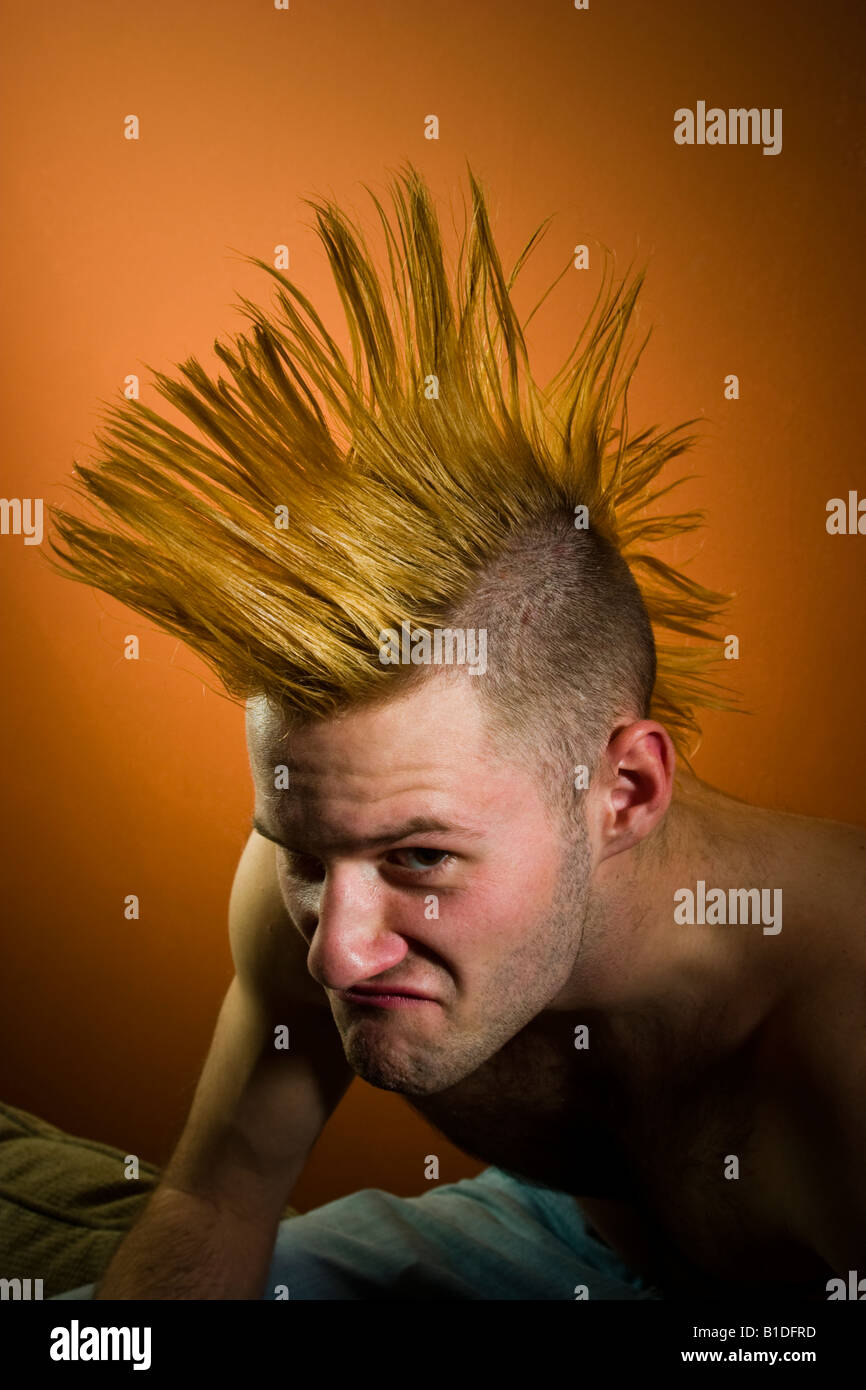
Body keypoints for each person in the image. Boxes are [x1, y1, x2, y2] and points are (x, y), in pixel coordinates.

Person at [45, 164, 865, 1300]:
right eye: (301, 854)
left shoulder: (836, 1046)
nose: (336, 949)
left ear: (622, 789)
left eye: (421, 857)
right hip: (543, 1237)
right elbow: (216, 1193)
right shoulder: (335, 858)